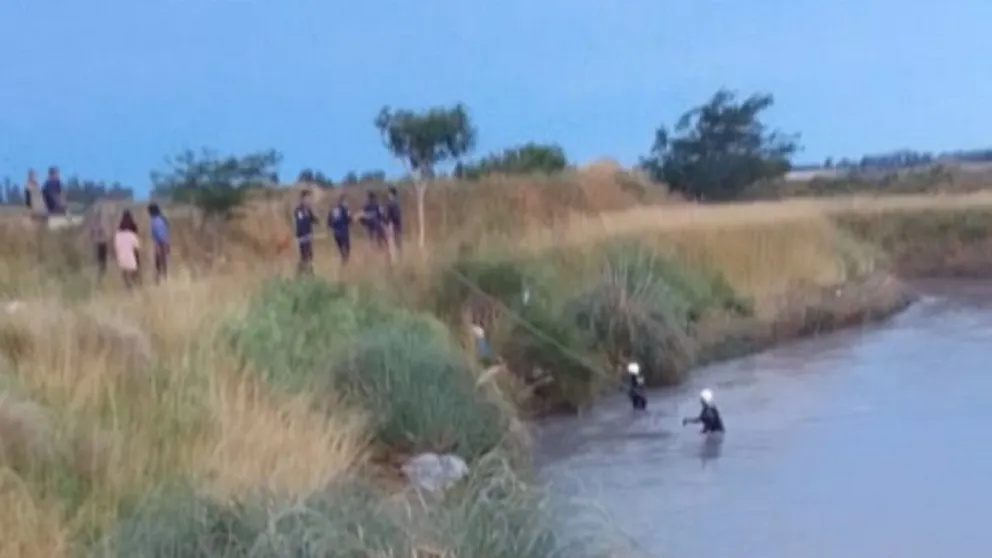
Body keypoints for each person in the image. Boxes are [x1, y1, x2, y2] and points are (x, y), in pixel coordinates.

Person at [293, 189, 319, 275]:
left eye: (309, 198)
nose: (309, 200)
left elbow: (313, 220)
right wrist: (300, 237)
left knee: (309, 256)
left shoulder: (308, 210)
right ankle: (302, 273)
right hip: (302, 237)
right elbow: (300, 223)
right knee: (305, 256)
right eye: (307, 198)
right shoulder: (299, 210)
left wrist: (316, 220)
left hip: (308, 236)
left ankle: (307, 273)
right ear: (302, 199)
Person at [114, 210, 141, 288]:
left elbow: (116, 247)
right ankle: (135, 287)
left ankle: (128, 288)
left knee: (125, 274)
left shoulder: (117, 235)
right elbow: (137, 248)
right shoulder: (131, 235)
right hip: (131, 257)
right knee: (134, 274)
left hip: (121, 257)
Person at [148, 203, 170, 283]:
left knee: (159, 263)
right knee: (164, 263)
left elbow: (159, 235)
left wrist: (159, 246)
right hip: (165, 243)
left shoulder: (155, 221)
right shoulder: (162, 219)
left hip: (160, 244)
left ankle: (158, 281)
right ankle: (164, 279)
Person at [328, 194, 352, 264]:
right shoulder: (345, 209)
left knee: (341, 250)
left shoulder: (333, 210)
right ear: (343, 201)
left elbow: (329, 223)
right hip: (344, 232)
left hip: (336, 233)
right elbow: (349, 220)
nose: (347, 203)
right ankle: (345, 264)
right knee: (347, 250)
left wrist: (334, 227)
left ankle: (343, 262)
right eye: (346, 201)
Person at [87, 204, 109, 278]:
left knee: (100, 261)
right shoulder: (100, 224)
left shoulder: (93, 224)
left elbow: (91, 234)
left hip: (97, 243)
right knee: (102, 262)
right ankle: (100, 275)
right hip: (101, 243)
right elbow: (104, 233)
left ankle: (100, 274)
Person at [384, 186, 402, 253]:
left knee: (392, 243)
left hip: (392, 225)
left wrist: (387, 221)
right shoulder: (397, 202)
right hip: (397, 225)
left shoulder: (391, 203)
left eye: (389, 193)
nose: (388, 195)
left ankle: (394, 259)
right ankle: (399, 257)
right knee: (398, 243)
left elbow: (390, 215)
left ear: (391, 194)